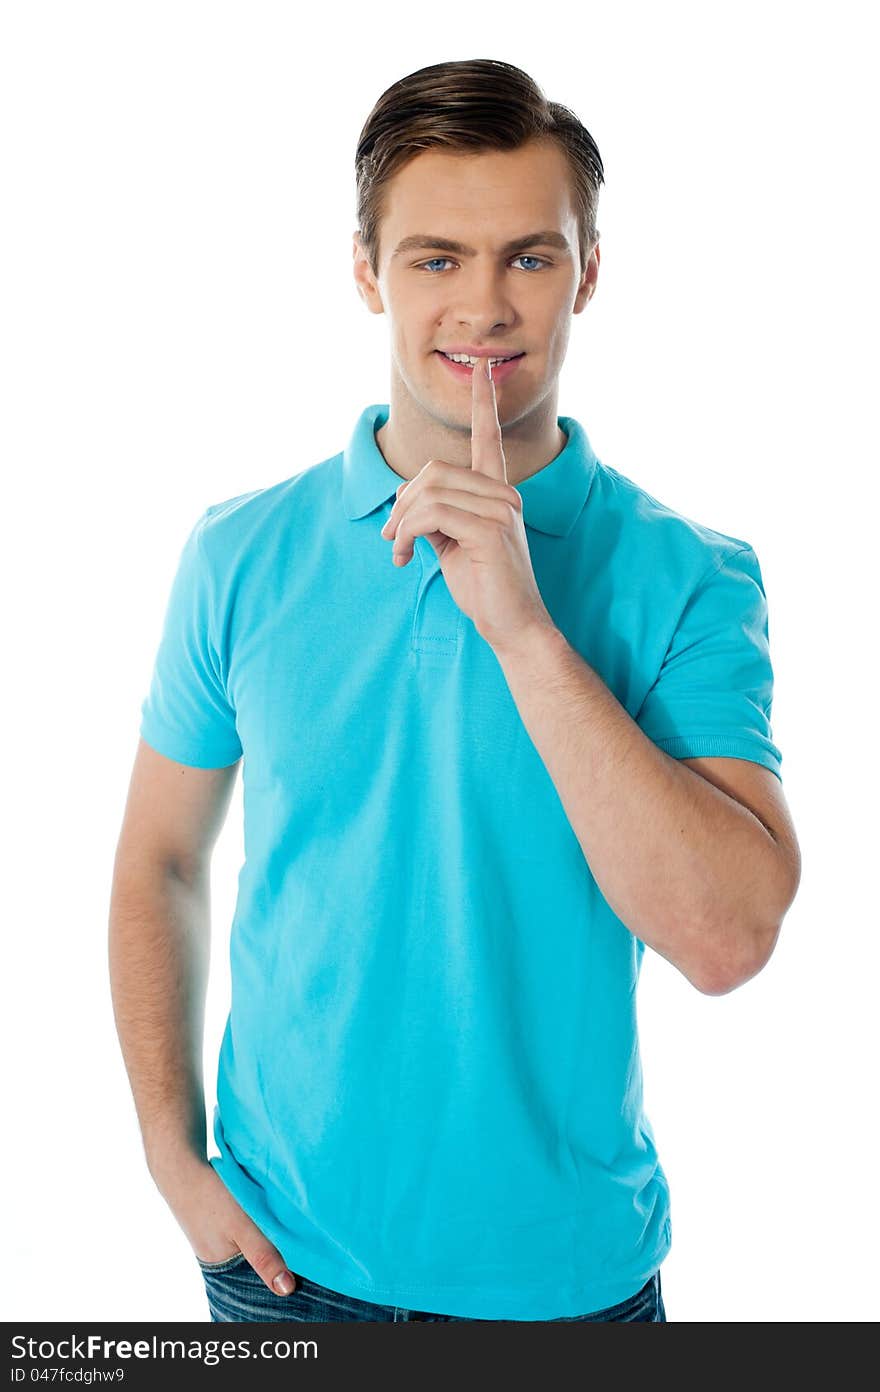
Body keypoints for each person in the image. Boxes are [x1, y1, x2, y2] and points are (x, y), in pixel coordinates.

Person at [109, 58, 801, 1324]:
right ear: (367, 271)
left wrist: (526, 630)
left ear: (588, 271)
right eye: (436, 259)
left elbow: (726, 939)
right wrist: (170, 1151)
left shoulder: (689, 578)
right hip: (277, 1272)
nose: (483, 306)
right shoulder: (238, 553)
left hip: (568, 1290)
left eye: (528, 259)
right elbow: (160, 856)